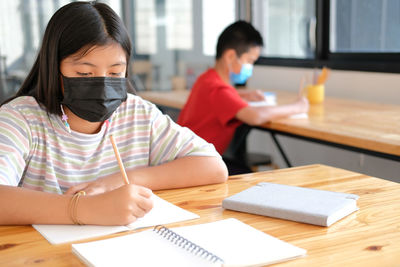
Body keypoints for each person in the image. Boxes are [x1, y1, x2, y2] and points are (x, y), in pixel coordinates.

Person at [0, 2, 227, 226]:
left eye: (115, 72)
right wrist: (83, 209)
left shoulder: (138, 114)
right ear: (53, 66)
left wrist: (119, 181)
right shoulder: (20, 119)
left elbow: (214, 167)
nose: (102, 84)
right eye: (85, 73)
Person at [177, 21, 308, 174]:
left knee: (243, 169)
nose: (250, 67)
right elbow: (255, 116)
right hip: (194, 168)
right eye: (249, 61)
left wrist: (242, 94)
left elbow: (219, 97)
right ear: (231, 56)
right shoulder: (218, 90)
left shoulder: (207, 80)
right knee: (248, 175)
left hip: (187, 161)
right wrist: (297, 107)